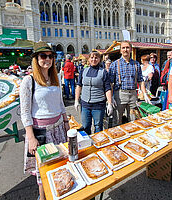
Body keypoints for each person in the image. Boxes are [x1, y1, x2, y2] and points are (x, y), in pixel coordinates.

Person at [19, 41, 69, 200]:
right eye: (43, 56)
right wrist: (31, 137)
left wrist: (67, 123)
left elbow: (60, 104)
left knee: (59, 166)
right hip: (40, 132)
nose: (47, 59)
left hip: (59, 129)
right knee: (43, 172)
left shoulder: (55, 78)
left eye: (50, 56)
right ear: (36, 58)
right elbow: (25, 112)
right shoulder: (29, 81)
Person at [109, 41, 150, 125]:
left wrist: (144, 93)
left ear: (131, 49)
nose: (125, 50)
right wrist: (111, 98)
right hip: (120, 95)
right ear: (120, 50)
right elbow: (110, 83)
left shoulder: (136, 64)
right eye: (123, 48)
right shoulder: (114, 64)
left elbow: (140, 80)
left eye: (127, 47)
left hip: (133, 95)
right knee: (117, 121)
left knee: (133, 120)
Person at [74, 51, 113, 135]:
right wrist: (76, 100)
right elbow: (79, 85)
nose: (94, 59)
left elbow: (107, 88)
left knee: (98, 126)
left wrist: (110, 103)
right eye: (92, 57)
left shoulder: (103, 72)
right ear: (89, 59)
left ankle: (98, 143)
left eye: (96, 57)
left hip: (98, 104)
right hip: (85, 104)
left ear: (99, 59)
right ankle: (87, 143)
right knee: (85, 126)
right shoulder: (83, 71)